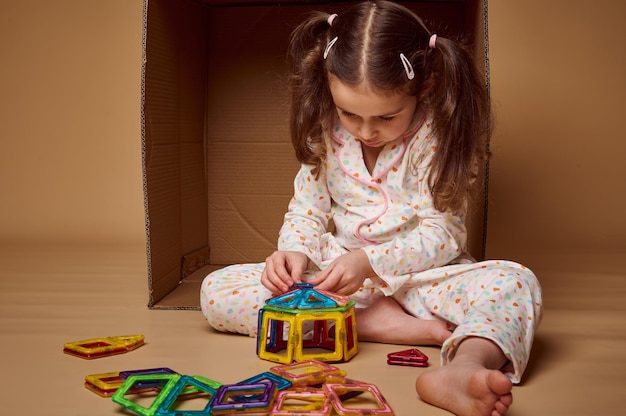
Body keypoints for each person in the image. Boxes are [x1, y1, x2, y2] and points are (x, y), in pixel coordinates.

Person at [200, 1, 542, 415]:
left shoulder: (439, 134)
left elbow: (444, 233)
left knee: (516, 283)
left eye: (386, 116)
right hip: (337, 281)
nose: (366, 131)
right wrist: (295, 250)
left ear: (426, 85)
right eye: (349, 113)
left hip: (423, 279)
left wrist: (371, 262)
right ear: (328, 86)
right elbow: (307, 208)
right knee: (216, 290)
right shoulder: (324, 126)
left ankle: (464, 365)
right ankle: (370, 324)